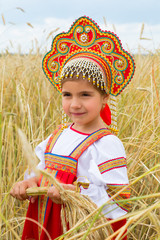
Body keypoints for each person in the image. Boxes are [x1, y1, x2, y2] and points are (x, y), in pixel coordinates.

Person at [10, 16, 135, 240]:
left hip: (79, 230)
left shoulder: (106, 143)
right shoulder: (58, 135)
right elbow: (42, 173)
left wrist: (75, 194)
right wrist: (28, 183)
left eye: (85, 95)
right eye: (67, 95)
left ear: (105, 97)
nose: (74, 104)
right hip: (44, 225)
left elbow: (120, 202)